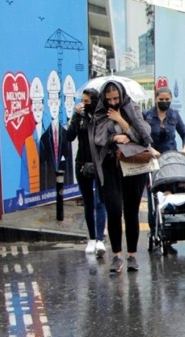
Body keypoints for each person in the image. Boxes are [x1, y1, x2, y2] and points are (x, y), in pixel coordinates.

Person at [93, 81, 153, 273]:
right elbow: (98, 138)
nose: (112, 103)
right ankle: (116, 255)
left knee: (131, 211)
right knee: (114, 210)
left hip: (133, 165)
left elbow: (144, 136)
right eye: (109, 99)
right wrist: (114, 138)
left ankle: (132, 256)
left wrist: (122, 122)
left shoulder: (133, 108)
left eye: (116, 99)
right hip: (111, 166)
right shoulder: (101, 112)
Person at [143, 86, 185, 242]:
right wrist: (150, 149)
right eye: (161, 100)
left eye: (167, 100)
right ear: (156, 99)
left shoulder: (174, 116)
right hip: (153, 159)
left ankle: (171, 226)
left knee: (173, 186)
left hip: (171, 158)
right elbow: (141, 137)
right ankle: (154, 228)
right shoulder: (147, 116)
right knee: (155, 192)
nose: (164, 102)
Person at [67, 88, 106, 257]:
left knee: (100, 201)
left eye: (87, 101)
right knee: (88, 202)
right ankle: (90, 238)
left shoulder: (102, 117)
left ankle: (99, 239)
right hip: (82, 163)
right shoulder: (80, 117)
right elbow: (69, 137)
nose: (84, 104)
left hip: (99, 163)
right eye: (82, 101)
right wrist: (75, 116)